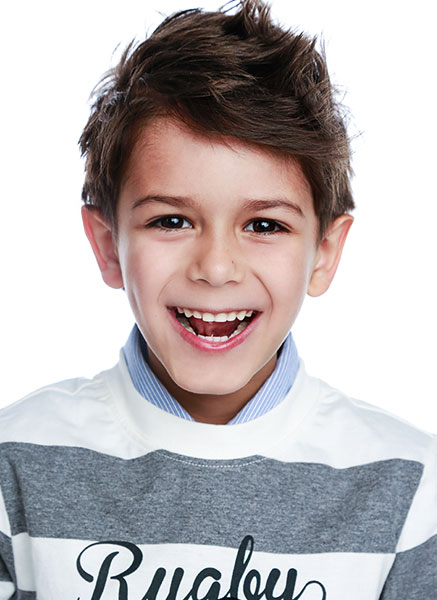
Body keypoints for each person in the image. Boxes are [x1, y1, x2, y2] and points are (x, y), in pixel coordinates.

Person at [0, 0, 435, 597]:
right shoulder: (15, 465)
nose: (216, 268)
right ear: (107, 245)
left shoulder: (409, 488)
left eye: (264, 226)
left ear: (325, 252)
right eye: (172, 221)